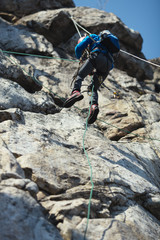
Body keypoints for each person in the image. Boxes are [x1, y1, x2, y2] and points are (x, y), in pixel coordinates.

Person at [63, 30, 119, 124]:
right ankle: (94, 106)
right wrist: (94, 69)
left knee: (79, 75)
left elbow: (78, 49)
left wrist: (82, 60)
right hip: (108, 65)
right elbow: (110, 66)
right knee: (93, 88)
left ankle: (75, 92)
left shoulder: (92, 37)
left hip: (97, 56)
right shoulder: (107, 46)